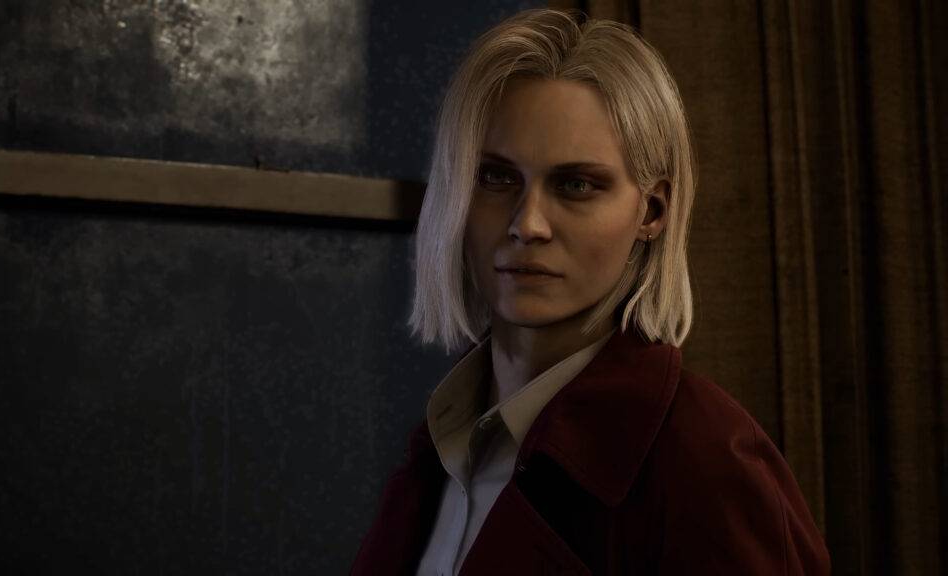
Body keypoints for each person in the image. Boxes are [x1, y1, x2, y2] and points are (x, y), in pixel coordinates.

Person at [351, 8, 830, 575]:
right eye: (496, 177)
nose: (528, 224)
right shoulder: (436, 455)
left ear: (651, 211)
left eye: (576, 184)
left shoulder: (706, 460)